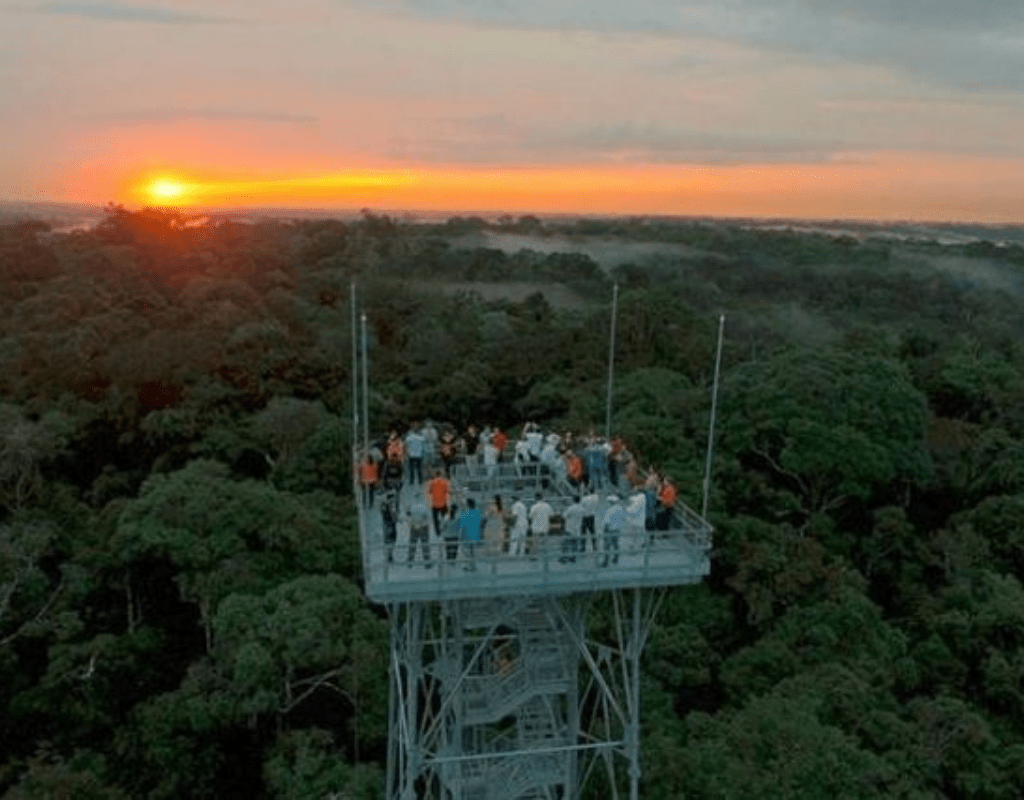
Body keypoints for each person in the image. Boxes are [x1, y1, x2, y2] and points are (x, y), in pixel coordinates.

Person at [458, 498, 484, 570]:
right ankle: (473, 566)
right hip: (476, 536)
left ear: (468, 505)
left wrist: (461, 536)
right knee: (473, 552)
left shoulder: (465, 514)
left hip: (467, 536)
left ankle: (467, 565)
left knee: (466, 552)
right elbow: (481, 524)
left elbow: (462, 526)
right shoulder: (478, 513)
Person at [601, 494, 625, 567]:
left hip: (610, 530)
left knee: (607, 547)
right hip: (617, 530)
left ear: (611, 502)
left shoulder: (609, 510)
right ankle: (616, 558)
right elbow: (623, 519)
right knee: (616, 545)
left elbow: (607, 523)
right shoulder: (620, 508)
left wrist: (604, 532)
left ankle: (605, 561)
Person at [407, 497, 432, 567]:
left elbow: (408, 514)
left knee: (412, 544)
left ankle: (410, 561)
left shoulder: (412, 503)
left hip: (414, 525)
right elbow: (428, 516)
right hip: (423, 526)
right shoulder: (425, 503)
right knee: (425, 544)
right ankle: (427, 561)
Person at [427, 470, 451, 538]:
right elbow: (447, 492)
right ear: (441, 474)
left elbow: (430, 492)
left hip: (435, 504)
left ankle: (437, 532)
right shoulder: (445, 482)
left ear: (435, 475)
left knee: (435, 519)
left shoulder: (432, 482)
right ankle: (445, 529)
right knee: (445, 518)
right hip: (443, 503)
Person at [528, 492, 553, 558]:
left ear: (535, 498)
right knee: (545, 543)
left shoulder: (534, 507)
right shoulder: (548, 506)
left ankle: (534, 556)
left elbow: (530, 517)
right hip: (545, 527)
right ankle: (545, 557)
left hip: (536, 527)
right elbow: (551, 515)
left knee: (535, 543)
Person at [484, 495, 506, 562]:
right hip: (499, 525)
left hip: (491, 525)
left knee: (490, 542)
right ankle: (497, 556)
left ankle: (491, 557)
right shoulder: (502, 507)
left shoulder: (492, 507)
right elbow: (504, 516)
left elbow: (487, 515)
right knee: (498, 542)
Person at [561, 495, 583, 563]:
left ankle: (564, 558)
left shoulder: (571, 508)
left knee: (565, 544)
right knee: (575, 544)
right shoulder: (582, 508)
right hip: (577, 528)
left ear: (573, 500)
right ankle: (573, 558)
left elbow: (564, 515)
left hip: (569, 528)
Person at [381, 491, 398, 562]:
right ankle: (390, 555)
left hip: (385, 523)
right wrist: (396, 519)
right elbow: (394, 515)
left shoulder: (383, 505)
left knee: (387, 540)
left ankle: (388, 555)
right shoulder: (391, 506)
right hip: (391, 524)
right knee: (392, 540)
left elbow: (382, 513)